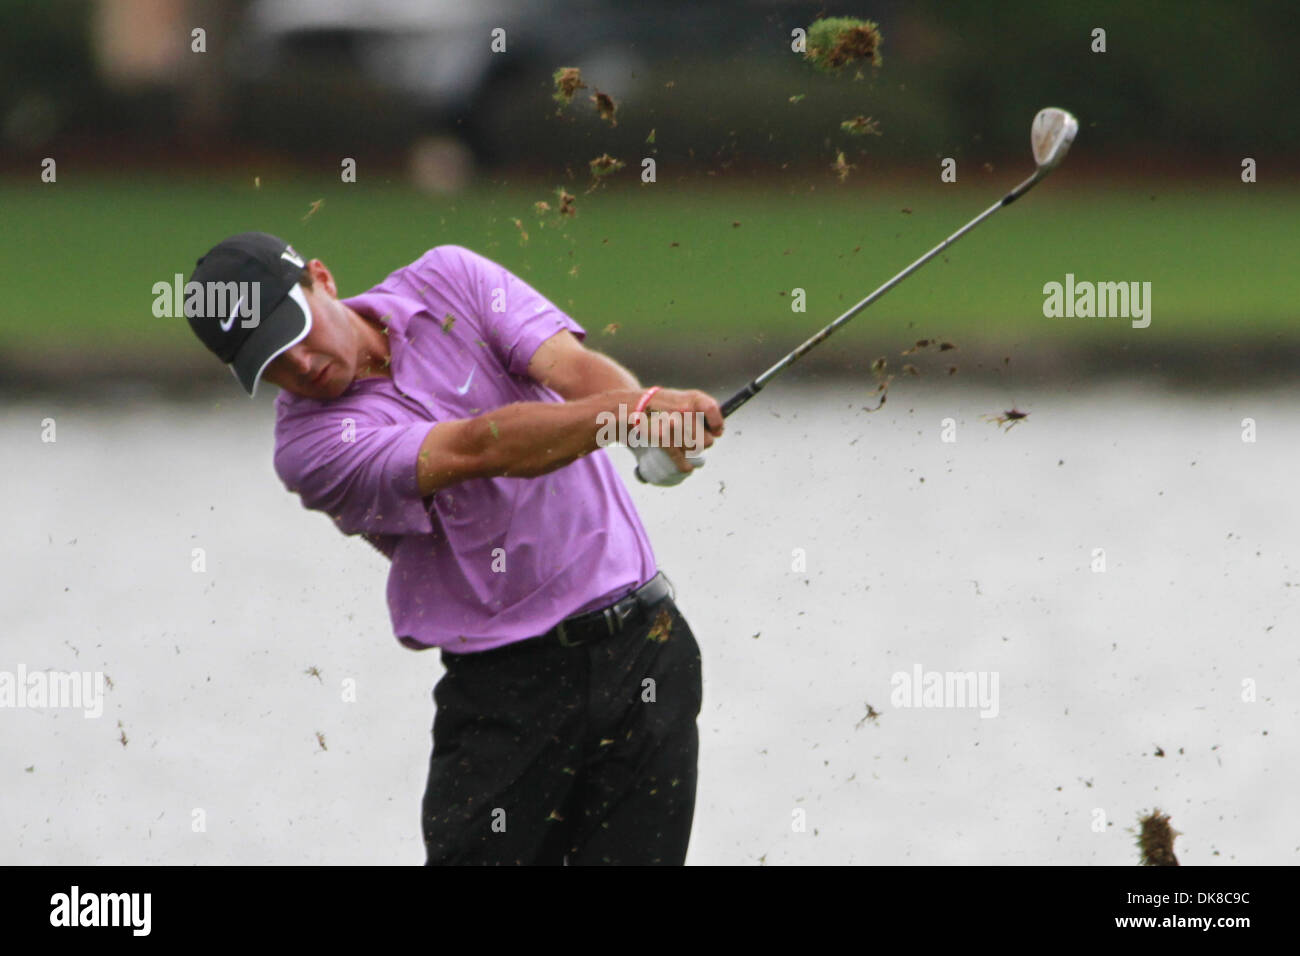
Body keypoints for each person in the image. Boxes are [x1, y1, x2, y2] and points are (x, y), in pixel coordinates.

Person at [183, 232, 724, 864]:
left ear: (322, 279)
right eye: (270, 362)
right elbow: (481, 448)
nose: (299, 366)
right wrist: (631, 414)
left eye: (295, 332)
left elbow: (573, 372)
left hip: (646, 655)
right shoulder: (312, 450)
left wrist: (645, 423)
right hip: (509, 699)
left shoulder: (449, 278)